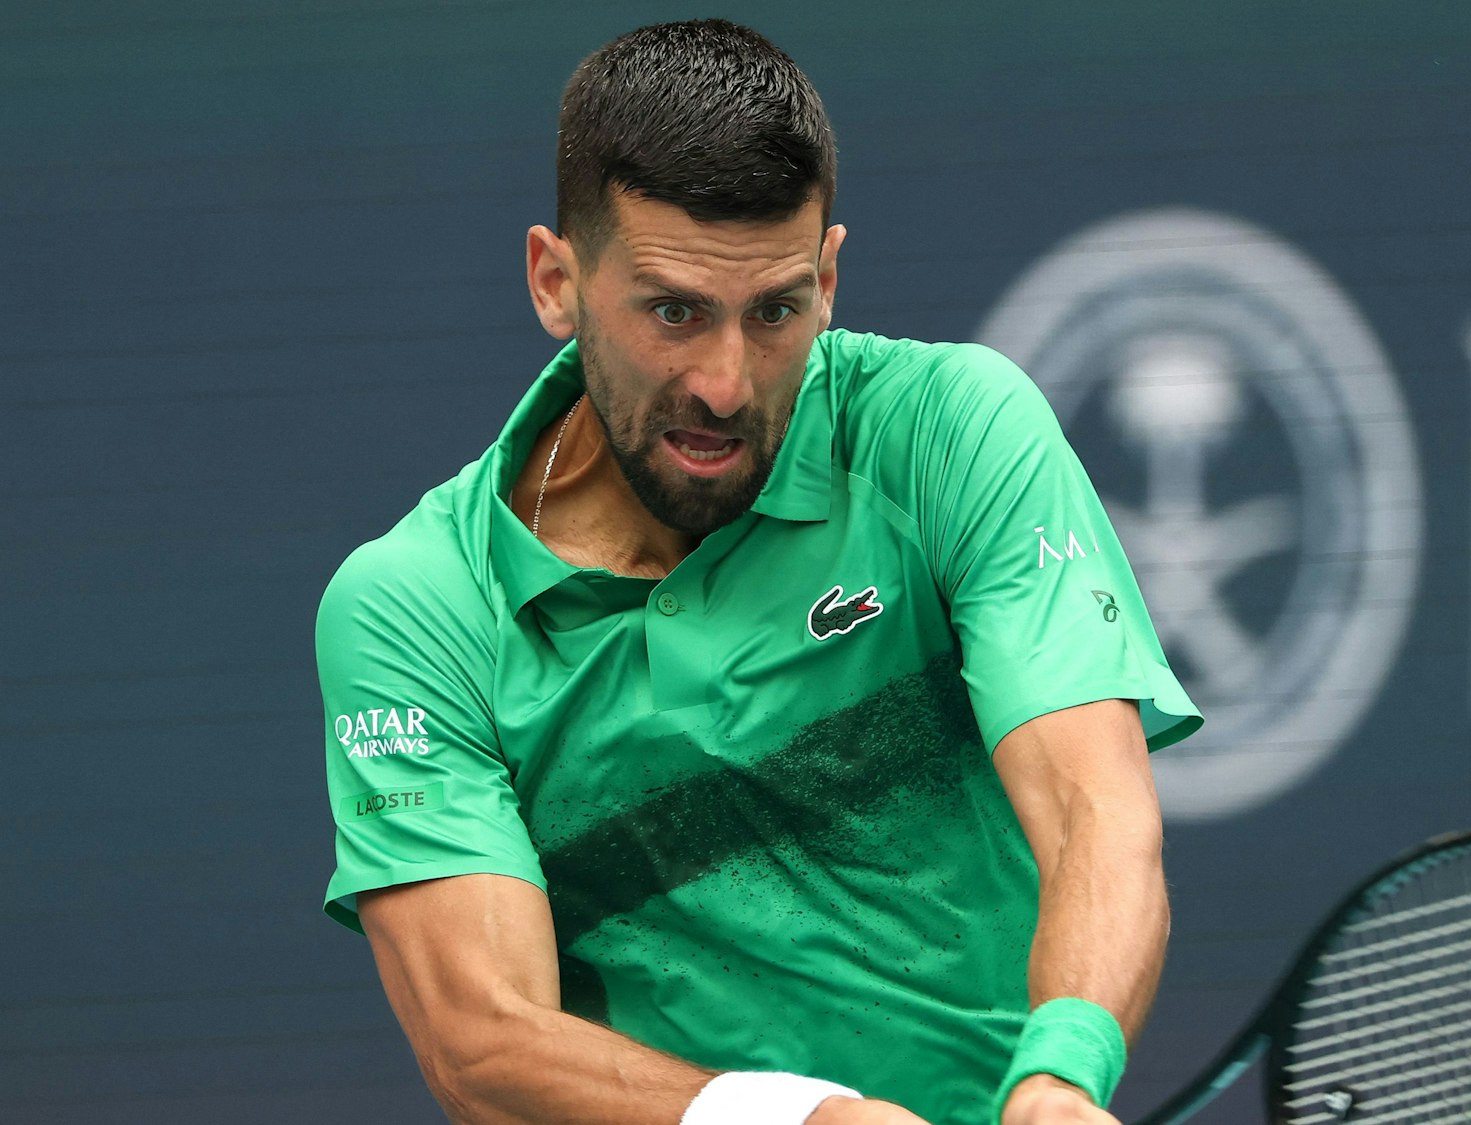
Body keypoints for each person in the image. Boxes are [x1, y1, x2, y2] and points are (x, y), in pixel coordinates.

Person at [316, 19, 1200, 1125]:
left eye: (774, 311)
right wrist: (804, 1120)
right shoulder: (418, 608)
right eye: (673, 312)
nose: (726, 384)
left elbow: (1094, 811)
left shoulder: (947, 431)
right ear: (556, 280)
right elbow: (483, 1040)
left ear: (828, 278)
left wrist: (1062, 1075)